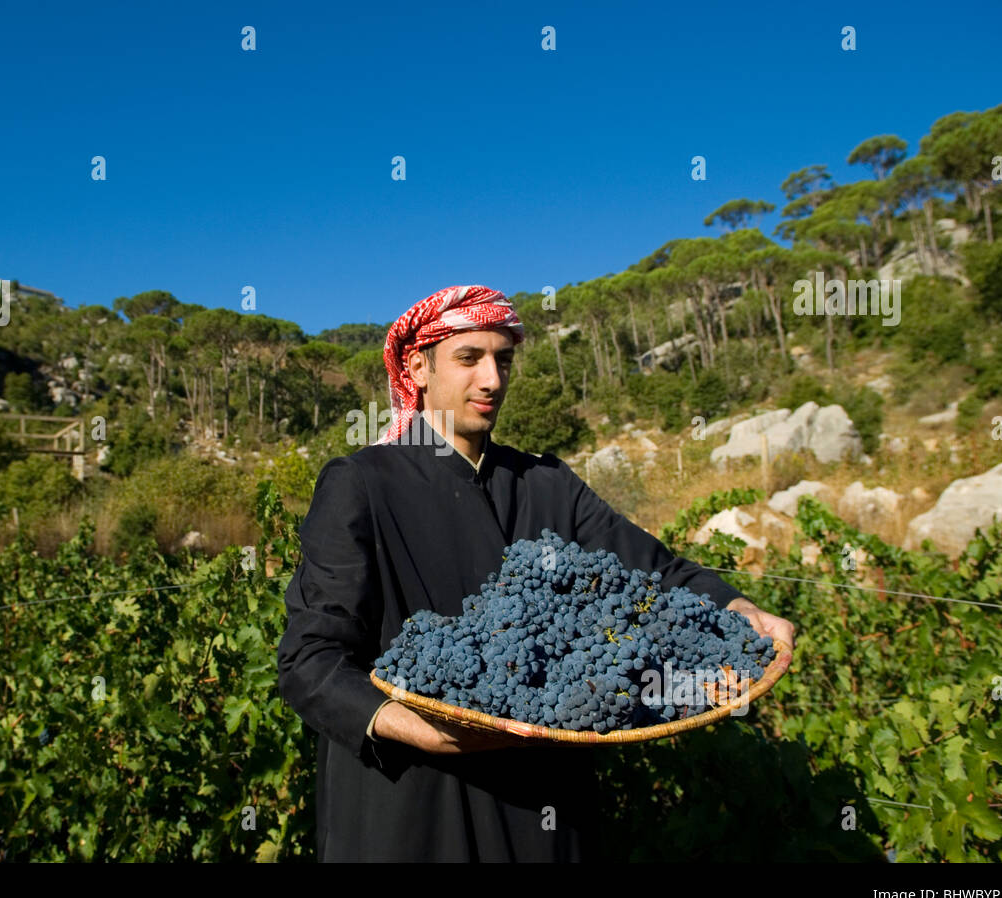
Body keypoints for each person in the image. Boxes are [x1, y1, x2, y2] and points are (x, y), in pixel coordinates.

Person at [276, 284, 796, 862]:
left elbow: (657, 572)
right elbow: (311, 659)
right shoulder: (363, 483)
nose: (492, 380)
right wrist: (417, 727)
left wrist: (739, 610)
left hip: (544, 812)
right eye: (469, 358)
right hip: (410, 810)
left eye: (503, 359)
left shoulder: (549, 485)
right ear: (418, 367)